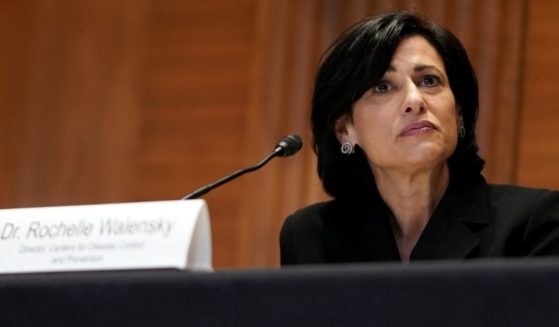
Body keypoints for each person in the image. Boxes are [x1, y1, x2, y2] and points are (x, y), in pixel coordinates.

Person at [280, 11, 559, 265]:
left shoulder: (532, 224)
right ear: (345, 130)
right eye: (383, 86)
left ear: (458, 114)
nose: (414, 100)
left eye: (429, 81)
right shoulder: (309, 238)